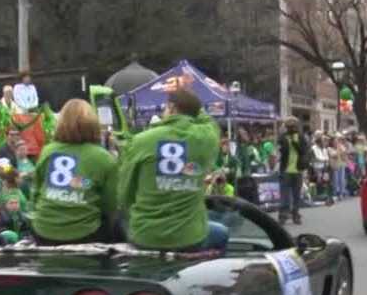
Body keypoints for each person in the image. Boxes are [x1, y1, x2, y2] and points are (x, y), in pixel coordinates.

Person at [117, 89, 225, 251]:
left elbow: (125, 195)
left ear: (171, 108)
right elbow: (209, 121)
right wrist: (194, 107)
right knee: (222, 233)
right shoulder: (207, 137)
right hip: (190, 237)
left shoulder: (141, 141)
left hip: (146, 235)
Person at [32, 99, 119, 245]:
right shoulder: (103, 158)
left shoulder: (48, 151)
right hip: (86, 234)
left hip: (43, 231)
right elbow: (110, 204)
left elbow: (36, 193)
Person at [277, 116, 309, 226]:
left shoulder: (301, 137)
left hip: (297, 170)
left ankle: (295, 214)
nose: (292, 127)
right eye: (289, 125)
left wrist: (295, 142)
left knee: (296, 195)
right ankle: (283, 215)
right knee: (284, 195)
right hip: (285, 170)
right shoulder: (282, 137)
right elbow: (281, 150)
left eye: (293, 125)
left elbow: (303, 151)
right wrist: (285, 136)